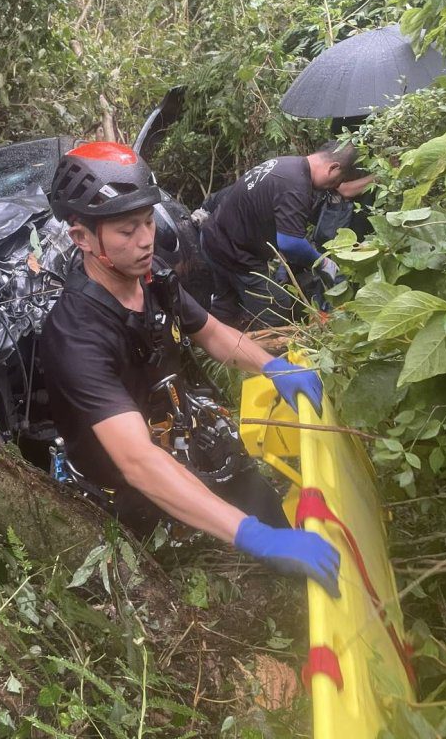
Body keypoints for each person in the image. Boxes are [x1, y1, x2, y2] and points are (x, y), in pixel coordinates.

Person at [40, 141, 340, 597]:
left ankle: (294, 586)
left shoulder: (152, 278)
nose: (145, 240)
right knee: (170, 583)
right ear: (82, 238)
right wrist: (251, 536)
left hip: (175, 423)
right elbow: (137, 462)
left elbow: (213, 332)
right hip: (125, 478)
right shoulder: (76, 335)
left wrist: (273, 366)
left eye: (146, 222)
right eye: (126, 231)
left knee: (255, 492)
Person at [199, 141, 366, 329]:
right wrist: (323, 263)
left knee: (227, 302)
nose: (332, 187)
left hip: (214, 238)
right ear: (333, 168)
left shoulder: (287, 164)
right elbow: (290, 243)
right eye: (336, 181)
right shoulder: (296, 185)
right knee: (275, 307)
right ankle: (263, 353)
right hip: (234, 252)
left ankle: (215, 347)